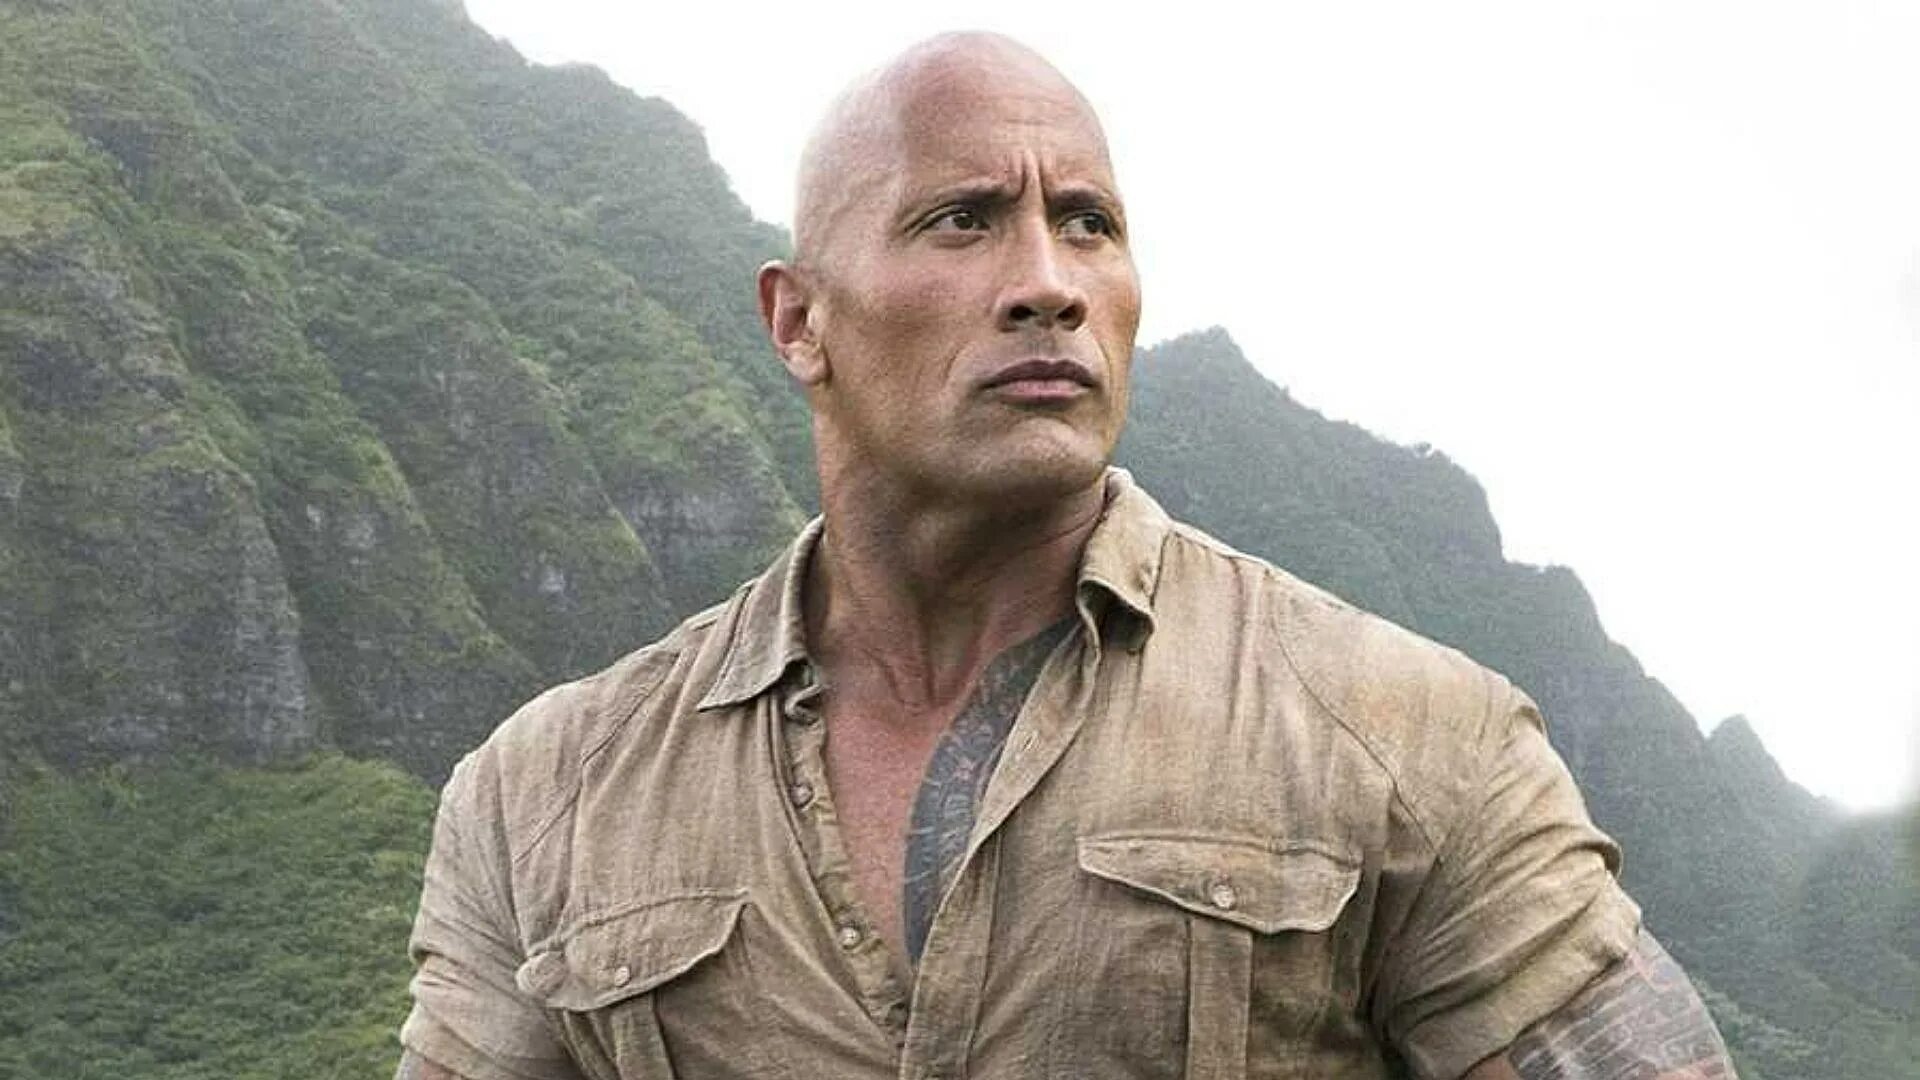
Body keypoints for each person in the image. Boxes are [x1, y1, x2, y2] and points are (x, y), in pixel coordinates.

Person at [395, 32, 1736, 1080]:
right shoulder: (546, 800)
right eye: (962, 219)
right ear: (799, 322)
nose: (1050, 281)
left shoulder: (1411, 741)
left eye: (1089, 222)